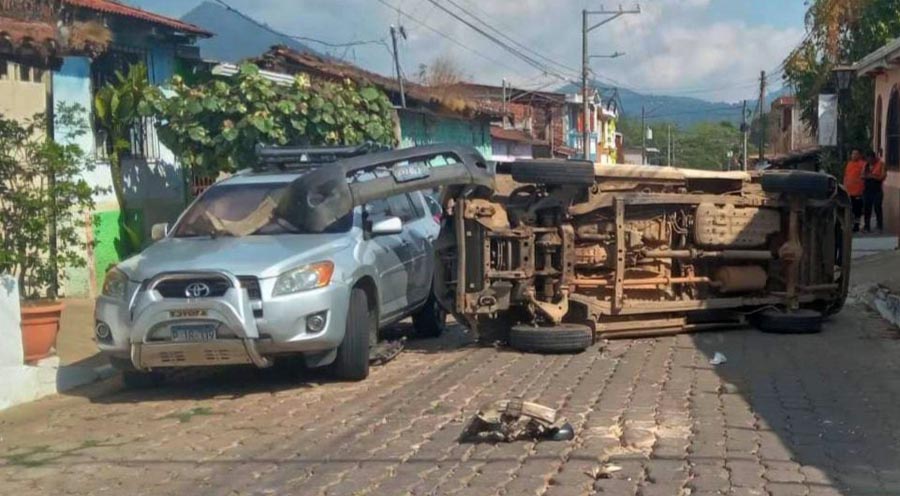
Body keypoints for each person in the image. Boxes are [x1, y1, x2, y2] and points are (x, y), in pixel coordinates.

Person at [863, 149, 887, 233]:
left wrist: (872, 176)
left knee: (877, 208)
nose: (869, 161)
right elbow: (862, 175)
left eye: (870, 159)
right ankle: (866, 227)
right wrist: (865, 176)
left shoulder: (881, 164)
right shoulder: (866, 165)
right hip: (867, 190)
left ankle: (879, 226)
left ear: (874, 158)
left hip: (877, 190)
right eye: (867, 159)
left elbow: (882, 177)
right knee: (867, 209)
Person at [843, 148, 866, 232]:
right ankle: (850, 225)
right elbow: (846, 176)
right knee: (850, 209)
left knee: (857, 210)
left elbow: (864, 176)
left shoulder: (863, 164)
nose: (854, 155)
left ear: (859, 155)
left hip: (858, 192)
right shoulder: (849, 164)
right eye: (853, 154)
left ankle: (856, 225)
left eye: (856, 154)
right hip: (849, 192)